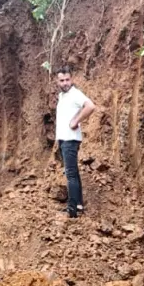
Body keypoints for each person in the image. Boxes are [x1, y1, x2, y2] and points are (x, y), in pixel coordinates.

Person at [55, 66, 96, 218]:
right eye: (62, 80)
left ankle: (72, 210)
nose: (65, 83)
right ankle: (78, 204)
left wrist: (75, 121)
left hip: (70, 139)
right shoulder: (62, 96)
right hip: (64, 139)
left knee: (71, 174)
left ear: (71, 79)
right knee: (73, 172)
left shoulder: (75, 94)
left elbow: (90, 106)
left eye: (67, 79)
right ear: (57, 81)